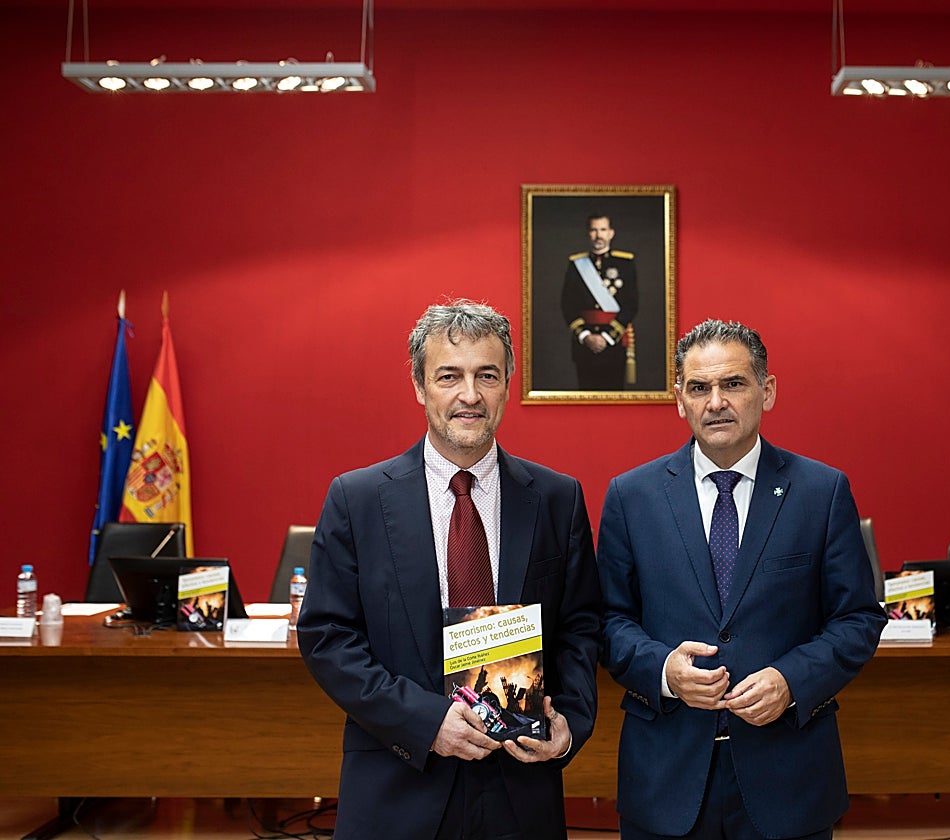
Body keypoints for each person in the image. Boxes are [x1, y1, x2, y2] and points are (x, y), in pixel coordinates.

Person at [297, 300, 602, 840]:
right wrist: (425, 722)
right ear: (419, 386)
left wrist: (570, 726)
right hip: (399, 783)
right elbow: (328, 637)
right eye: (449, 376)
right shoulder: (358, 499)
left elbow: (580, 626)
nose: (470, 395)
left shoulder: (557, 498)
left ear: (507, 384)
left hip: (520, 786)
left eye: (487, 375)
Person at [596, 319, 886, 840]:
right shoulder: (630, 496)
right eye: (699, 388)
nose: (716, 403)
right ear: (679, 400)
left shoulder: (822, 492)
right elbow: (609, 620)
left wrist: (791, 680)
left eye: (733, 384)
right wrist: (663, 670)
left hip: (788, 775)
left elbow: (858, 618)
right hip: (666, 775)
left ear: (766, 391)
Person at [560, 213, 638, 390]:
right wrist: (585, 336)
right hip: (584, 346)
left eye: (602, 230)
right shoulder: (576, 264)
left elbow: (631, 304)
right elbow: (567, 305)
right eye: (594, 230)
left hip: (614, 343)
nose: (598, 235)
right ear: (588, 233)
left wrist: (607, 336)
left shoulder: (625, 263)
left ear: (611, 233)